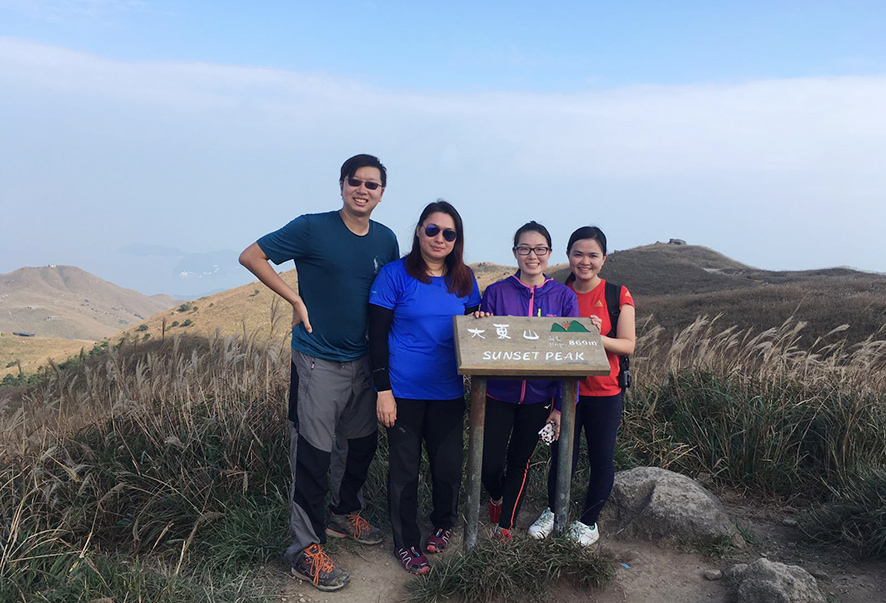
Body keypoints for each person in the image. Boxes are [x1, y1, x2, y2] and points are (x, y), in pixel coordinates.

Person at [238, 154, 399, 591]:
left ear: (382, 192)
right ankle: (304, 549)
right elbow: (252, 256)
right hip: (317, 361)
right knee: (313, 454)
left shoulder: (385, 239)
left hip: (364, 361)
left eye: (371, 184)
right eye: (355, 182)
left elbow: (388, 295)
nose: (362, 190)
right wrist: (294, 299)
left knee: (361, 444)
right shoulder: (312, 228)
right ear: (342, 184)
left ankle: (344, 514)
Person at [369, 200, 481, 574]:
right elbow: (377, 337)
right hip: (402, 393)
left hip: (448, 392)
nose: (439, 238)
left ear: (456, 240)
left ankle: (443, 525)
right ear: (419, 231)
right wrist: (383, 390)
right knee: (404, 471)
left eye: (449, 233)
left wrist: (479, 319)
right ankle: (406, 543)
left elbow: (472, 330)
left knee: (447, 468)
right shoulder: (394, 275)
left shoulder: (464, 280)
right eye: (432, 229)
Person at [527, 225, 636, 546]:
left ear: (604, 258)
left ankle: (588, 522)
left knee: (601, 457)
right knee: (563, 455)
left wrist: (593, 336)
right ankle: (554, 510)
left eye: (592, 255)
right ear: (568, 256)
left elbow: (627, 345)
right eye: (578, 254)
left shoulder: (617, 294)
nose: (584, 261)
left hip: (605, 392)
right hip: (564, 393)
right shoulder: (558, 291)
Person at [478, 221, 579, 539]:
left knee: (519, 460)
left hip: (539, 398)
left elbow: (571, 357)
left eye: (539, 249)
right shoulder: (496, 292)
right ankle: (496, 495)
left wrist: (560, 407)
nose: (532, 255)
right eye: (524, 248)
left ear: (549, 253)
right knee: (489, 463)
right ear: (515, 252)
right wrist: (480, 322)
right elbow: (484, 343)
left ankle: (505, 526)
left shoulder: (563, 297)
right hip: (498, 394)